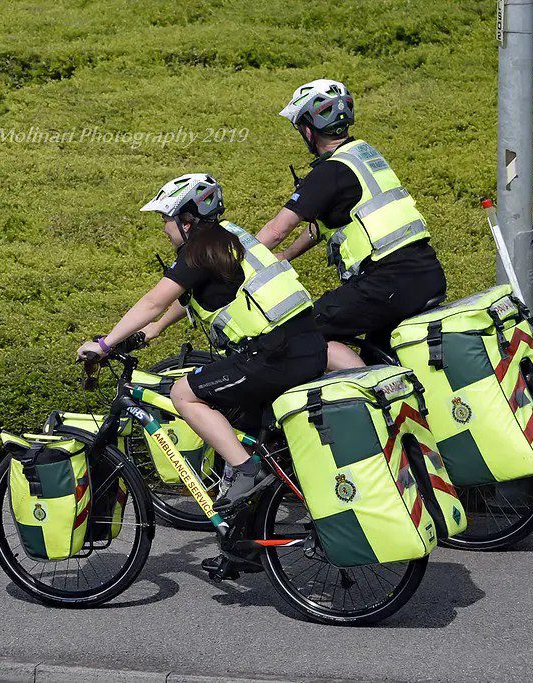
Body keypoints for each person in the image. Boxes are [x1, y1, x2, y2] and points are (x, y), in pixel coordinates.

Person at [77, 173, 327, 512]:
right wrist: (155, 329)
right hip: (306, 345)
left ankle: (245, 469)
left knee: (184, 393)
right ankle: (243, 547)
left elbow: (155, 300)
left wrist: (104, 344)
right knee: (245, 430)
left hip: (271, 355)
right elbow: (193, 296)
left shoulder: (196, 251)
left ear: (186, 219)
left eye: (166, 219)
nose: (164, 228)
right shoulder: (230, 236)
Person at [256, 79, 447, 369]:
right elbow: (325, 224)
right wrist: (286, 256)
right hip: (422, 272)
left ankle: (370, 392)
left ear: (308, 128)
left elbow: (276, 230)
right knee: (380, 359)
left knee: (301, 334)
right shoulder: (363, 155)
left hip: (385, 283)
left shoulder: (329, 171)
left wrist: (242, 265)